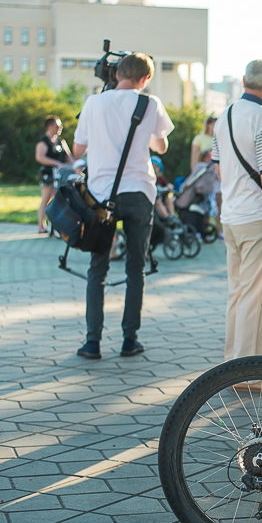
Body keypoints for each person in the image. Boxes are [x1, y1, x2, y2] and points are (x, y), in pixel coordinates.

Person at [72, 52, 174, 359]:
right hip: (140, 191)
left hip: (101, 196)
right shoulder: (150, 103)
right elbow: (162, 146)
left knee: (97, 268)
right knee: (135, 267)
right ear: (145, 79)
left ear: (115, 74)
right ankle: (130, 339)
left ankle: (92, 342)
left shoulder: (93, 103)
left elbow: (78, 148)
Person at [211, 60, 262, 370]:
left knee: (239, 295)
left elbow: (217, 168)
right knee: (259, 301)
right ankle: (250, 374)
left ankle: (233, 366)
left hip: (231, 216)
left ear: (244, 81)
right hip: (259, 218)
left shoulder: (223, 115)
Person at [35, 115, 74, 234]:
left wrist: (75, 166)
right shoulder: (43, 141)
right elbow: (39, 157)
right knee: (46, 199)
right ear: (50, 126)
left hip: (61, 176)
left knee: (56, 200)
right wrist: (56, 163)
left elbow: (68, 156)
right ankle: (41, 226)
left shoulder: (60, 141)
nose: (60, 128)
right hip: (48, 174)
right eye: (58, 125)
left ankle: (56, 226)